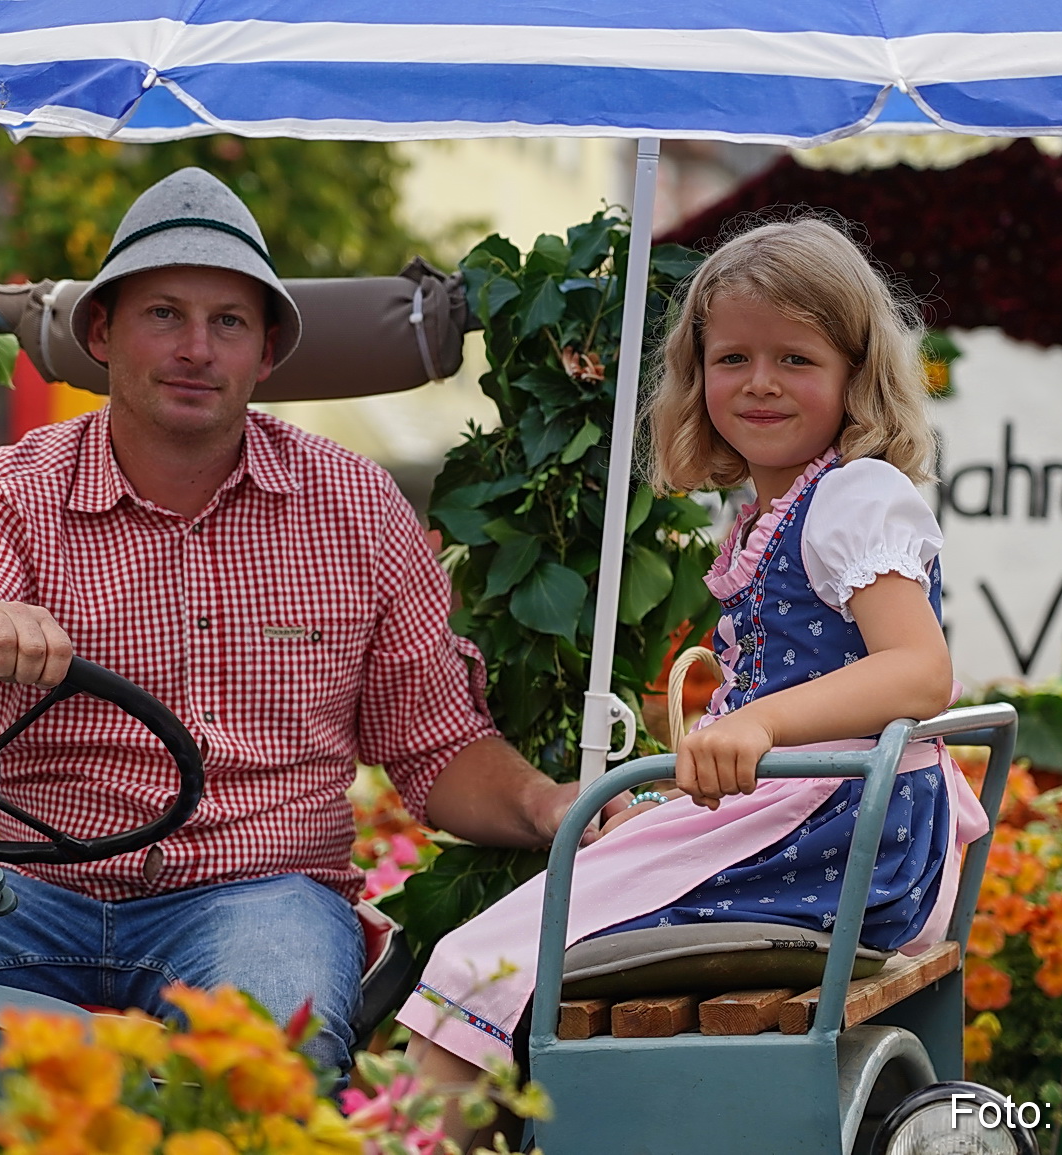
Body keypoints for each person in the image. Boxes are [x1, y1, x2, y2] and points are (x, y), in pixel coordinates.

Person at [0, 168, 598, 1074]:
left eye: (229, 322)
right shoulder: (5, 490)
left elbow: (432, 743)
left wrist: (549, 804)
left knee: (266, 1065)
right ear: (102, 332)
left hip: (254, 888)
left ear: (266, 354)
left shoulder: (356, 506)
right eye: (164, 315)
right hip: (26, 886)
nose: (197, 348)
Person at [398, 218, 989, 1141]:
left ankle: (426, 1131)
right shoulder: (775, 507)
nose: (759, 383)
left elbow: (920, 671)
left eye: (796, 358)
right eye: (732, 357)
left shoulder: (854, 496)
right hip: (813, 819)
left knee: (483, 960)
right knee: (561, 889)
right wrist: (685, 793)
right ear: (697, 371)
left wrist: (756, 729)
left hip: (834, 836)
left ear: (855, 373)